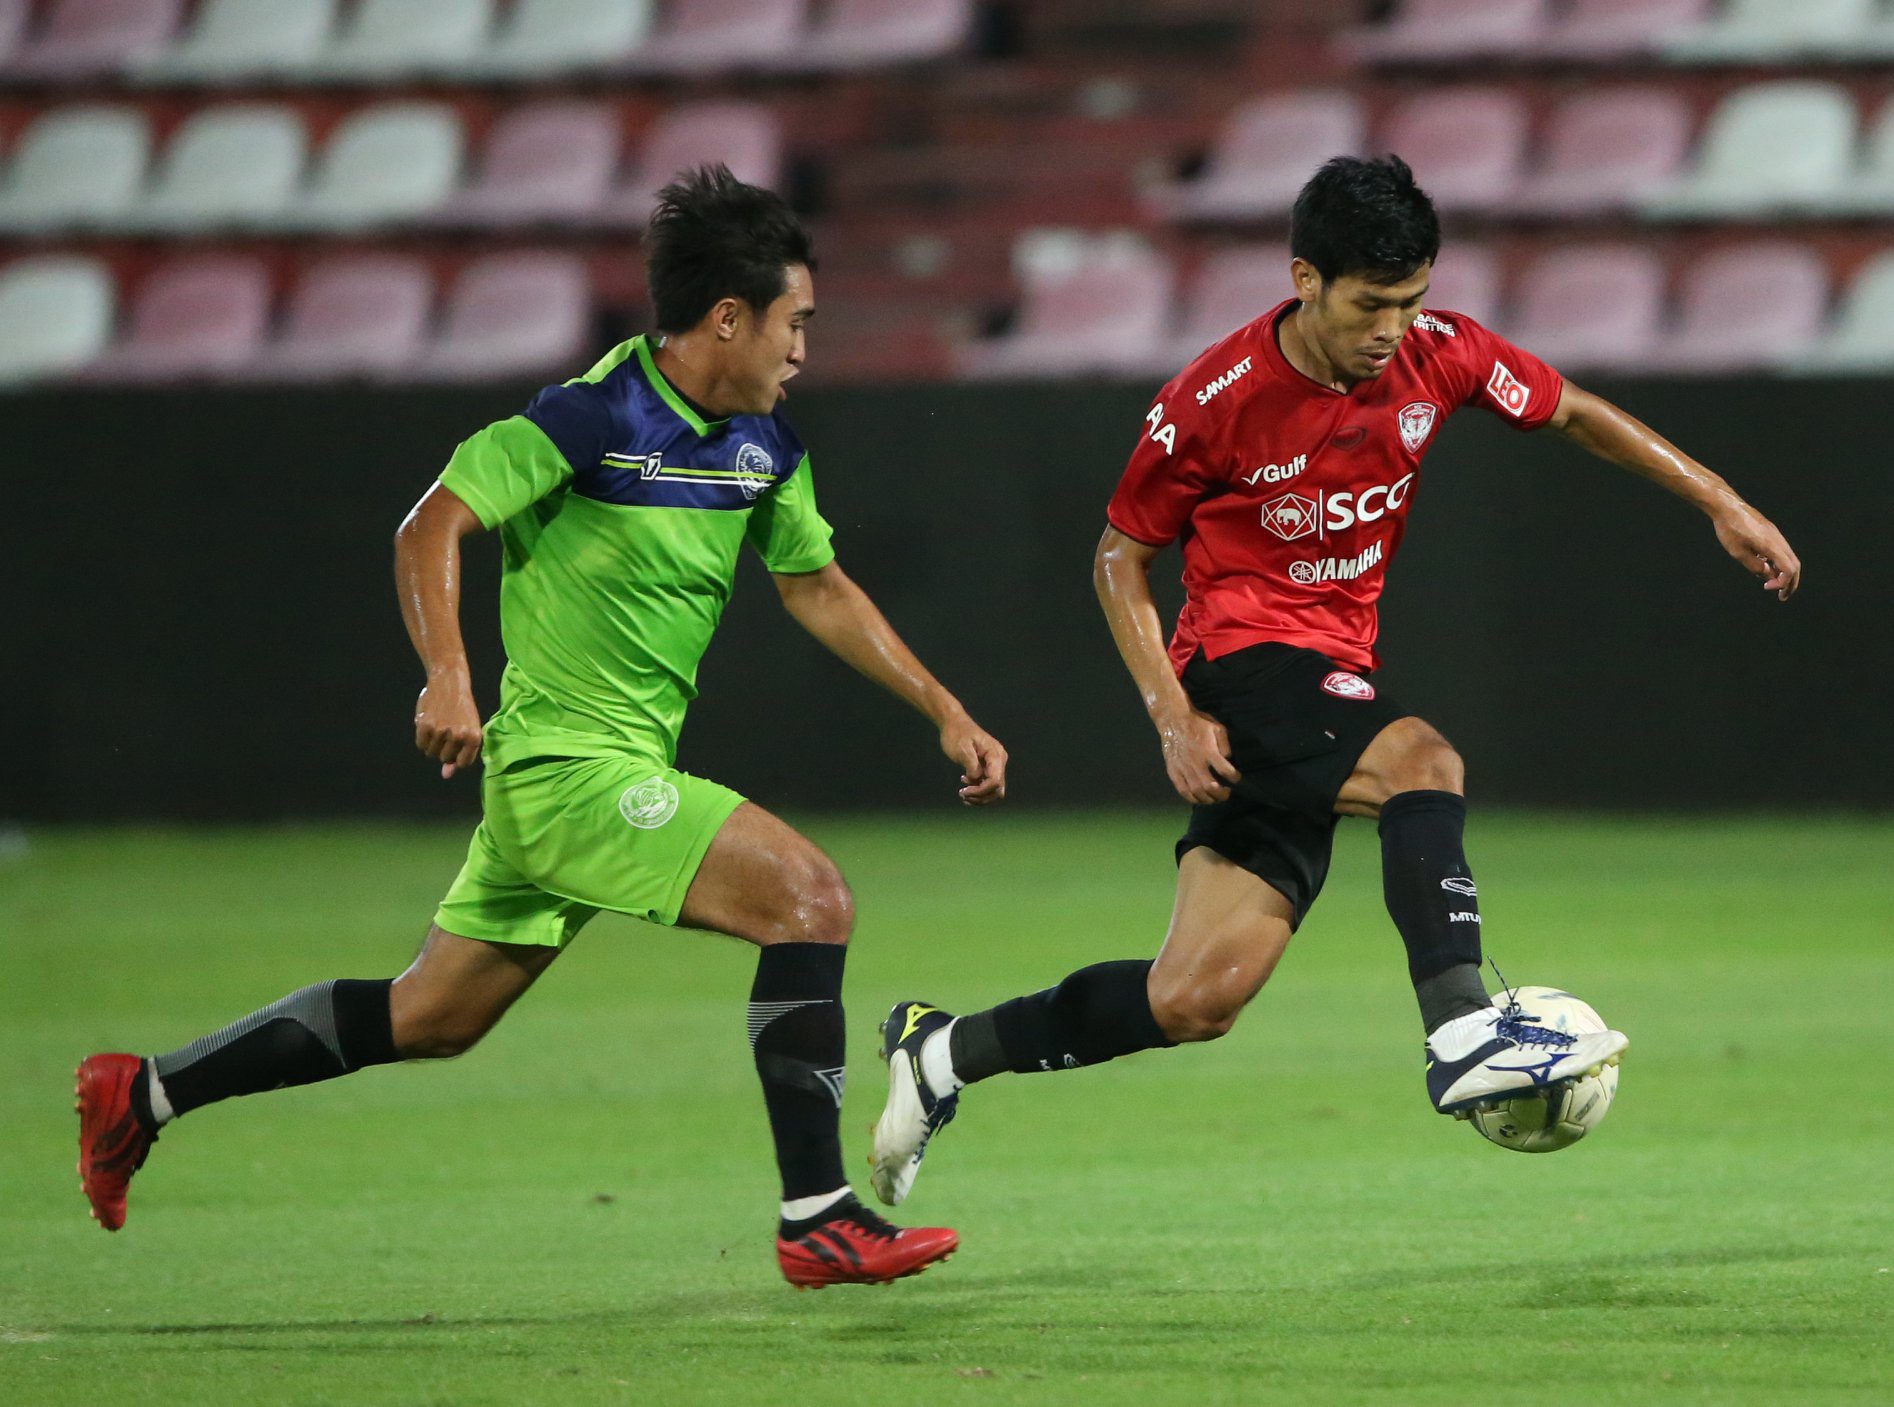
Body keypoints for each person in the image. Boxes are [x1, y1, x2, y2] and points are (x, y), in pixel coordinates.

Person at [74, 165, 1009, 1289]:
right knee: (809, 897)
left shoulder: (765, 446)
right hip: (567, 771)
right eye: (795, 322)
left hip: (588, 778)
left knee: (431, 1016)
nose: (803, 348)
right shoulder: (590, 417)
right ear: (729, 318)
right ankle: (817, 1215)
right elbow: (430, 527)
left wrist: (945, 706)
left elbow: (816, 585)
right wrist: (447, 676)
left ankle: (142, 1092)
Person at [868, 155, 1800, 1207]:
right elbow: (1118, 558)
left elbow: (1574, 410)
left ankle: (943, 1052)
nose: (1392, 328)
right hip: (1239, 663)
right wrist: (1171, 714)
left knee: (1195, 997)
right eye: (1370, 305)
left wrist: (1720, 500)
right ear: (1305, 279)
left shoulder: (1441, 353)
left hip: (1326, 672)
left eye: (1411, 301)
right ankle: (1461, 1026)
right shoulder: (1213, 401)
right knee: (1422, 762)